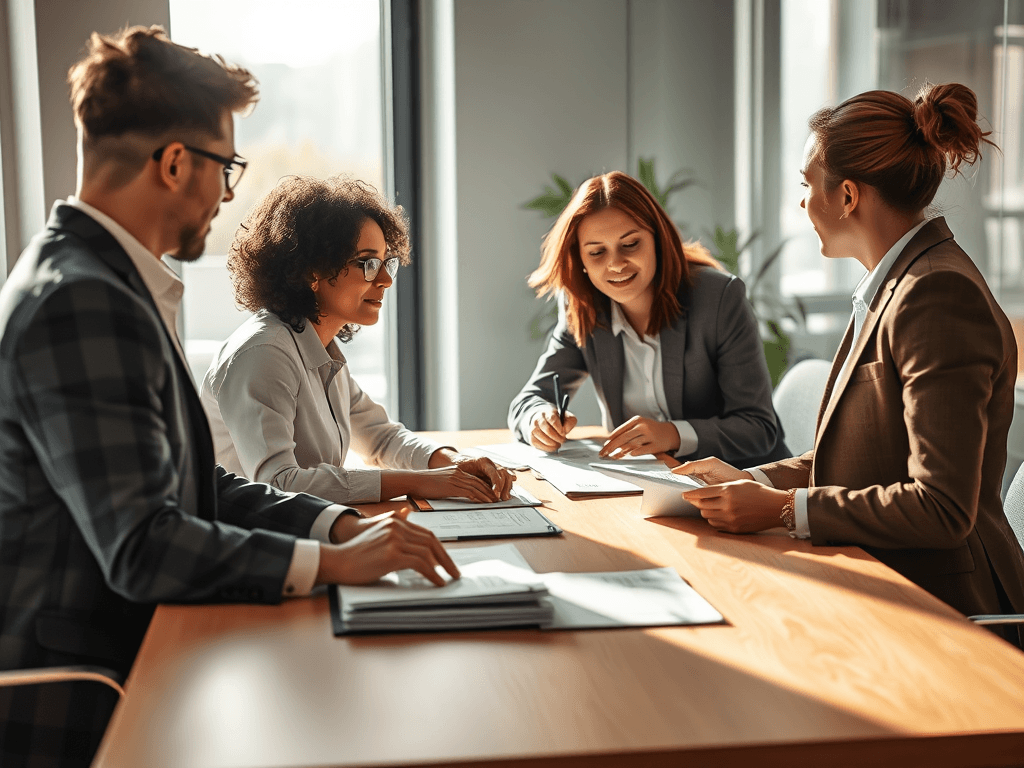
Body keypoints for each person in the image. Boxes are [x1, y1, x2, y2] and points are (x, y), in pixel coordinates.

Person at [0, 27, 458, 766]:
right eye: (226, 166)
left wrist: (336, 528)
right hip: (86, 688)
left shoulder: (109, 281)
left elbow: (193, 484)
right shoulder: (80, 299)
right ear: (177, 162)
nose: (227, 192)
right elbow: (144, 545)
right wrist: (334, 565)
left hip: (138, 651)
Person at [677, 83, 1024, 638]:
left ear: (846, 196)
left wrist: (783, 509)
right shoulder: (892, 284)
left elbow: (941, 506)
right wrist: (747, 480)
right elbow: (864, 462)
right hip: (884, 580)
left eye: (806, 186)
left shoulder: (935, 295)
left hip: (948, 607)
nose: (802, 203)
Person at [201, 175, 515, 505]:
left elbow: (380, 438)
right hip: (260, 547)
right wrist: (422, 482)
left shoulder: (317, 348)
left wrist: (451, 462)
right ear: (312, 272)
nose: (385, 280)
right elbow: (279, 483)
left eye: (385, 263)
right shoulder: (263, 354)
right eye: (367, 263)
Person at [508, 171, 790, 466]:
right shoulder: (583, 304)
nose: (615, 264)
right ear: (581, 261)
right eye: (596, 252)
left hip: (741, 483)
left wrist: (672, 435)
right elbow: (528, 400)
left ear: (658, 239)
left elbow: (759, 429)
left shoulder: (718, 298)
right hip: (647, 485)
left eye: (630, 244)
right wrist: (538, 419)